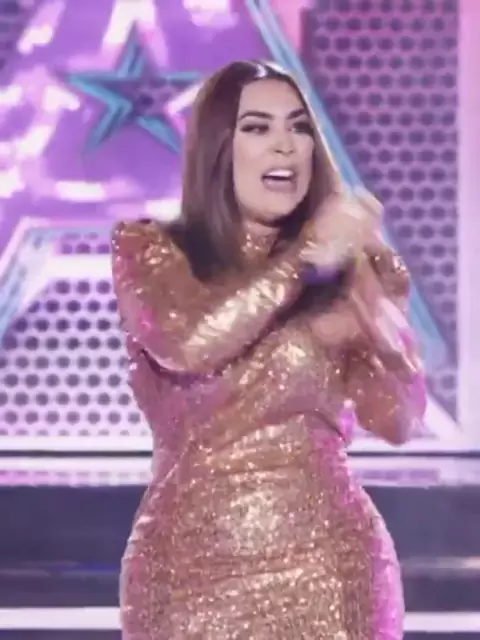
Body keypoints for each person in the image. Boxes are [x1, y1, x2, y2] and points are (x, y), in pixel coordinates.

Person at [112, 60, 426, 639]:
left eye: (299, 128)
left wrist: (384, 317)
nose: (285, 145)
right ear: (218, 148)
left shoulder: (347, 273)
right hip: (187, 579)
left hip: (332, 570)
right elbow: (189, 344)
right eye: (257, 127)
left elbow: (398, 419)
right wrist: (306, 258)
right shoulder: (153, 252)